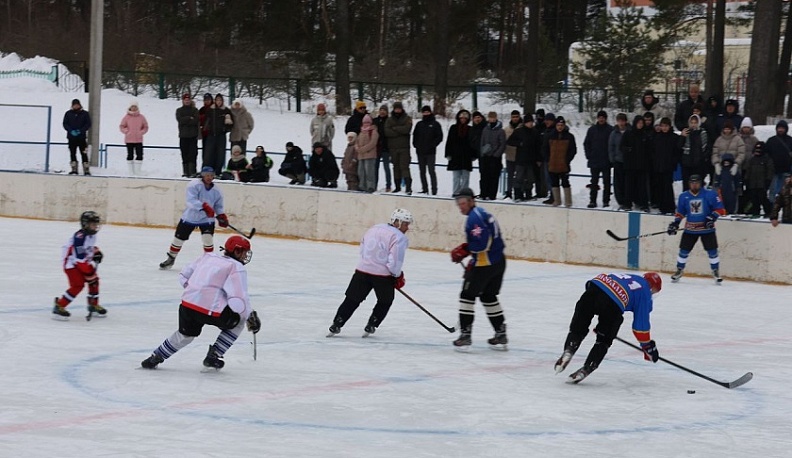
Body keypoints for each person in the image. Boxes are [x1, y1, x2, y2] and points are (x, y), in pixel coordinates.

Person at [141, 235, 261, 370]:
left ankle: (156, 357)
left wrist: (197, 292)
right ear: (237, 251)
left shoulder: (207, 257)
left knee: (186, 334)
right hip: (211, 312)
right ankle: (214, 355)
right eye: (245, 252)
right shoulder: (236, 266)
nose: (246, 256)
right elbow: (238, 299)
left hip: (187, 306)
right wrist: (249, 315)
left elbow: (184, 276)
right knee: (239, 321)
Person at [554, 272, 662, 384]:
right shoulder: (645, 291)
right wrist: (648, 346)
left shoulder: (630, 277)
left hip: (594, 289)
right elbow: (641, 327)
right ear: (652, 288)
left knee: (578, 328)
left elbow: (599, 287)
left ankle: (569, 349)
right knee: (604, 340)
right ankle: (588, 367)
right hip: (613, 304)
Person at [327, 209, 412, 337]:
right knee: (385, 300)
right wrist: (397, 275)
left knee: (352, 299)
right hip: (382, 276)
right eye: (406, 224)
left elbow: (362, 248)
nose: (407, 228)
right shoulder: (399, 237)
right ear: (397, 222)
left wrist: (366, 263)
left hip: (362, 270)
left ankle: (337, 323)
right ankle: (372, 324)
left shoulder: (374, 228)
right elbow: (394, 261)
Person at [449, 188, 508, 350]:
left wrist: (465, 250)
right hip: (499, 262)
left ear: (471, 201)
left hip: (485, 264)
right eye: (458, 203)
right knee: (488, 296)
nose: (460, 206)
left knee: (467, 296)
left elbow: (483, 244)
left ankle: (465, 334)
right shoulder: (482, 213)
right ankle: (501, 332)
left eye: (462, 203)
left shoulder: (474, 218)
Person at [159, 166, 228, 270]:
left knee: (207, 239)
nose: (209, 177)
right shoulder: (194, 185)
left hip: (207, 219)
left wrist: (221, 215)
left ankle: (208, 261)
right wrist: (203, 206)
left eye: (211, 175)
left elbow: (218, 206)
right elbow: (190, 201)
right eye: (207, 175)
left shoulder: (216, 191)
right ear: (203, 175)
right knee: (178, 239)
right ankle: (171, 258)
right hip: (190, 217)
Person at [667, 174, 726, 283]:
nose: (694, 185)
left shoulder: (710, 194)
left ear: (701, 183)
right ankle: (679, 270)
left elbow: (721, 209)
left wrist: (712, 218)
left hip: (707, 230)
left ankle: (715, 270)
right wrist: (675, 223)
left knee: (712, 252)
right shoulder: (683, 196)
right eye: (692, 183)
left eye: (696, 183)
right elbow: (680, 212)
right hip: (690, 230)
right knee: (683, 251)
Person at [52, 211, 106, 319]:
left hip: (82, 262)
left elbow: (89, 248)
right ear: (85, 224)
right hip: (71, 264)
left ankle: (93, 305)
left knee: (94, 282)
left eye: (96, 224)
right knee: (78, 285)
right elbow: (79, 259)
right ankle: (59, 306)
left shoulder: (91, 236)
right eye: (93, 224)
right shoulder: (79, 238)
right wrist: (89, 272)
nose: (95, 227)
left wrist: (96, 252)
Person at [542, 115, 577, 207]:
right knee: (554, 183)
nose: (560, 127)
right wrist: (549, 160)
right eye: (558, 125)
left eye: (561, 125)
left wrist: (567, 160)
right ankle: (557, 200)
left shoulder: (569, 136)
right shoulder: (550, 136)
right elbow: (545, 149)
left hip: (564, 164)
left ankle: (568, 202)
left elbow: (573, 150)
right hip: (552, 164)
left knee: (565, 182)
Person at [583, 110, 613, 208]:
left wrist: (611, 158)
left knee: (607, 182)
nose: (601, 119)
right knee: (594, 182)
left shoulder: (610, 130)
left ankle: (606, 200)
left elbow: (613, 145)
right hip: (594, 160)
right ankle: (592, 200)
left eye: (603, 117)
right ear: (597, 118)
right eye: (600, 117)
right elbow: (586, 143)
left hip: (606, 160)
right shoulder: (592, 129)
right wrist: (589, 155)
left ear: (605, 118)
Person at [412, 105, 444, 195]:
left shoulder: (435, 124)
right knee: (422, 171)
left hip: (430, 152)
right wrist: (416, 145)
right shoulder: (419, 124)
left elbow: (439, 137)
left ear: (430, 112)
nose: (426, 113)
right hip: (420, 152)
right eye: (424, 112)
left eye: (427, 112)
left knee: (431, 171)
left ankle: (434, 190)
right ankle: (424, 189)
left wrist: (433, 145)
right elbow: (415, 135)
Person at [385, 101, 413, 194]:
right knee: (395, 167)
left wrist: (395, 128)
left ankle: (408, 187)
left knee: (404, 167)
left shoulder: (407, 118)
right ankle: (397, 187)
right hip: (393, 148)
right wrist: (400, 130)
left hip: (404, 148)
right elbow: (387, 132)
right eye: (396, 109)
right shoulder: (389, 120)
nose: (397, 110)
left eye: (399, 109)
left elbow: (407, 129)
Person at [446, 109, 475, 197]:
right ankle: (456, 192)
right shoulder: (453, 128)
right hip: (455, 156)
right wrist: (448, 153)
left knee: (465, 176)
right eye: (461, 118)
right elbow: (449, 141)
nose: (463, 119)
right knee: (456, 176)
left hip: (466, 156)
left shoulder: (470, 129)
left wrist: (473, 155)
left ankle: (464, 193)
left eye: (465, 118)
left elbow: (473, 143)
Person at [203, 93, 234, 175]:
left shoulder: (226, 110)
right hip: (211, 135)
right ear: (215, 101)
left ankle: (218, 171)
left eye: (220, 100)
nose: (219, 102)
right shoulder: (210, 110)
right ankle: (208, 171)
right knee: (208, 154)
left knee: (220, 154)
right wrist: (206, 128)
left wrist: (226, 128)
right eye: (217, 100)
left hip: (221, 136)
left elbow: (231, 123)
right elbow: (206, 121)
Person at [479, 111, 506, 201]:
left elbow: (502, 144)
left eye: (493, 118)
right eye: (490, 118)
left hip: (495, 157)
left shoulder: (500, 131)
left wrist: (496, 154)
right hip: (485, 156)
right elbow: (482, 141)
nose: (492, 119)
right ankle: (483, 193)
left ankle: (492, 194)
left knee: (493, 177)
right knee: (484, 176)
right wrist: (482, 152)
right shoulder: (485, 129)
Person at [119, 99, 149, 176]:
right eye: (132, 107)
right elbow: (122, 126)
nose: (134, 108)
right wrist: (127, 131)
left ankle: (137, 171)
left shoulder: (141, 117)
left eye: (135, 107)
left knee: (140, 155)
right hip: (129, 140)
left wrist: (141, 132)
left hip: (138, 139)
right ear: (130, 107)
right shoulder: (126, 117)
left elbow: (145, 126)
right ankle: (131, 171)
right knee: (130, 155)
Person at [743, 142, 774, 217]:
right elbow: (748, 170)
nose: (757, 151)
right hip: (752, 183)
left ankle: (768, 211)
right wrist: (746, 180)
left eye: (759, 150)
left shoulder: (767, 159)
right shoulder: (751, 160)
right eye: (756, 149)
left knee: (763, 198)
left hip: (762, 183)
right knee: (754, 198)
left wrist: (768, 180)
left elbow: (770, 170)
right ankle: (755, 211)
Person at [62, 98, 92, 176]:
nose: (76, 106)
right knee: (72, 153)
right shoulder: (68, 113)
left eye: (77, 105)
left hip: (81, 137)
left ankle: (86, 169)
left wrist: (81, 131)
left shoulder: (85, 114)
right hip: (71, 138)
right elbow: (65, 124)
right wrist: (70, 130)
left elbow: (88, 124)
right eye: (74, 105)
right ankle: (74, 169)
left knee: (84, 153)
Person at [609, 113, 631, 210]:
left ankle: (628, 201)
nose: (621, 123)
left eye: (623, 121)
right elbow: (611, 147)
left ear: (626, 121)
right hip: (618, 161)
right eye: (619, 121)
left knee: (628, 183)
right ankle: (621, 201)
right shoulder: (614, 133)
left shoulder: (630, 132)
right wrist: (612, 159)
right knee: (619, 183)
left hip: (628, 161)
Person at [176, 92, 200, 177]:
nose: (187, 101)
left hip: (193, 136)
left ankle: (192, 171)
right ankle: (185, 171)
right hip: (183, 136)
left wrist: (186, 120)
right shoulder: (179, 110)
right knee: (184, 154)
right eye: (185, 100)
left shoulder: (195, 110)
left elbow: (195, 121)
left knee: (192, 154)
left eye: (188, 100)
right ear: (183, 101)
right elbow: (180, 120)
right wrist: (189, 118)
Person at [356, 114, 379, 193]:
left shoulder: (373, 131)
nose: (366, 124)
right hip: (361, 155)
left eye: (367, 122)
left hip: (370, 155)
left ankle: (370, 186)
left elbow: (373, 143)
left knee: (369, 171)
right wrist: (357, 148)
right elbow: (357, 141)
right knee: (361, 171)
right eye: (364, 122)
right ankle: (362, 185)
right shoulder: (361, 132)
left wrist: (363, 149)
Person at [373, 104, 392, 192]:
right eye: (381, 110)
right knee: (375, 167)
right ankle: (374, 184)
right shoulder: (375, 121)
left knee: (386, 167)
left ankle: (388, 185)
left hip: (386, 147)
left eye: (384, 110)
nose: (382, 112)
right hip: (376, 147)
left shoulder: (389, 121)